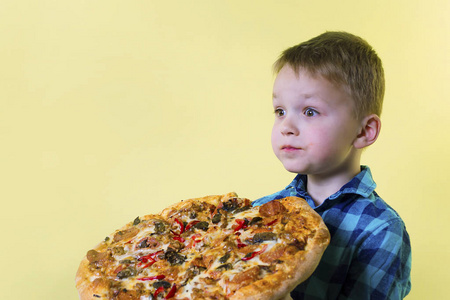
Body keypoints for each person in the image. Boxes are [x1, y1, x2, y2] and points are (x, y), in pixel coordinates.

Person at [253, 31, 412, 299]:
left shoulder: (381, 230)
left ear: (363, 132)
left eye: (309, 111)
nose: (286, 127)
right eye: (280, 111)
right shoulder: (260, 211)